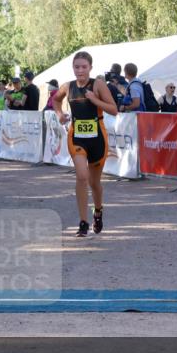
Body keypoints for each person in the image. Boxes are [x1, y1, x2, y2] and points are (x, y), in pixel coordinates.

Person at [51, 51, 118, 237]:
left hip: (97, 138)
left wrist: (94, 99)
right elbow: (55, 100)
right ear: (73, 68)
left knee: (94, 182)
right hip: (77, 137)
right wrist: (59, 115)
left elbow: (114, 110)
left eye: (83, 67)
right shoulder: (68, 87)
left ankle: (98, 211)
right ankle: (83, 222)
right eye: (76, 67)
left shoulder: (98, 85)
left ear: (90, 68)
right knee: (82, 176)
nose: (80, 70)